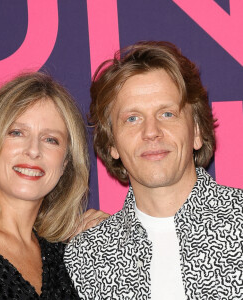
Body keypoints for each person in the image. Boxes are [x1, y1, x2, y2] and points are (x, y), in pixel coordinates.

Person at [65, 41, 243, 299]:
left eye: (167, 114)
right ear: (112, 143)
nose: (151, 132)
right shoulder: (85, 256)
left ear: (196, 131)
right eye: (132, 118)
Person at [0, 72, 106, 299]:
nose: (33, 150)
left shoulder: (67, 261)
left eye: (51, 139)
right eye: (17, 133)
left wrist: (110, 243)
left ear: (65, 163)